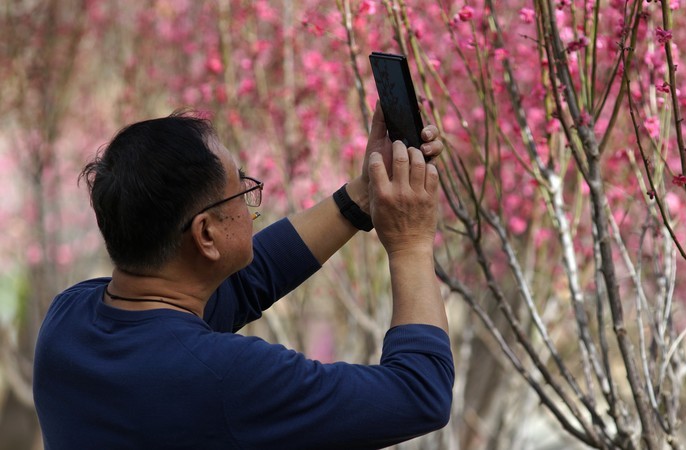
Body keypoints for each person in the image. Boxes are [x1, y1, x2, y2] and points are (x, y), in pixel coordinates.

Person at [32, 105, 452, 449]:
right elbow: (419, 394)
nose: (252, 203)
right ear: (206, 234)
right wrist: (411, 243)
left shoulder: (68, 319)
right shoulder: (224, 377)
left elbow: (247, 281)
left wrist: (362, 194)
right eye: (241, 191)